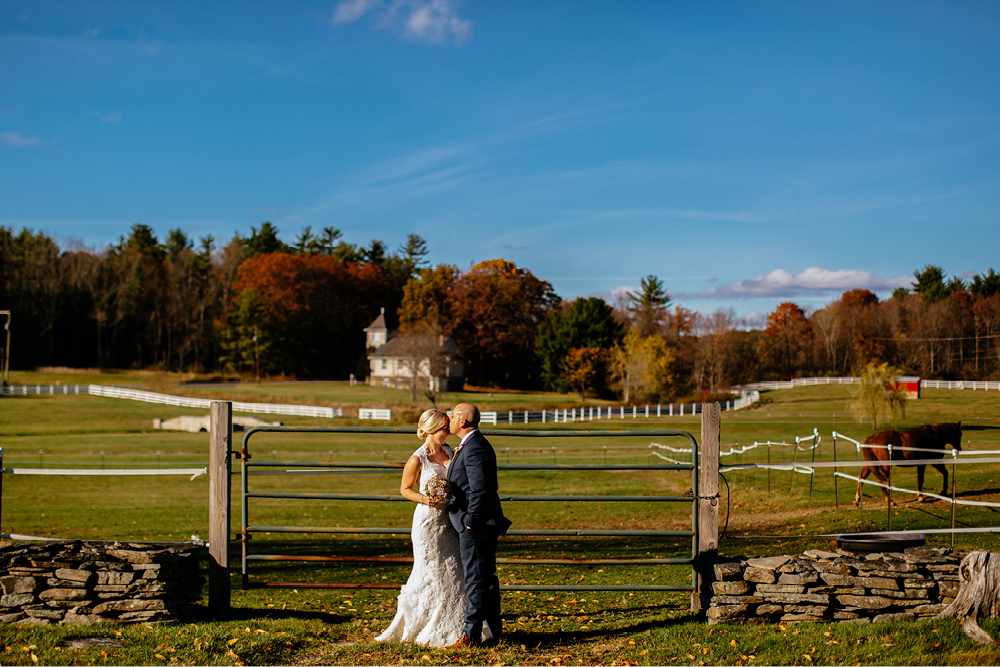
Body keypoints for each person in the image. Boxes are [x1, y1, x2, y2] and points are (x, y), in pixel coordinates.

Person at [375, 408, 475, 647]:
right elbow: (405, 489)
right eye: (443, 429)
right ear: (431, 429)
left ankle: (456, 621)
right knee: (429, 570)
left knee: (453, 568)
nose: (447, 433)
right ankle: (421, 621)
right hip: (427, 523)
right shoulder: (416, 459)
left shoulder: (450, 451)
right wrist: (424, 498)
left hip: (449, 521)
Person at [445, 403, 512, 648]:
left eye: (452, 415)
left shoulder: (474, 448)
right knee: (485, 578)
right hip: (480, 523)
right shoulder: (471, 445)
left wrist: (470, 522)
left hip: (478, 525)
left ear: (462, 421)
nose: (449, 419)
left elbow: (481, 489)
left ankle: (471, 636)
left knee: (476, 578)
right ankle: (494, 631)